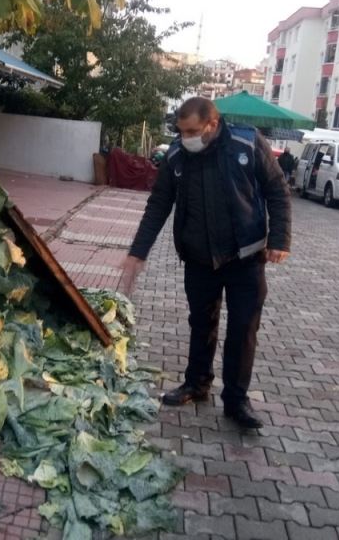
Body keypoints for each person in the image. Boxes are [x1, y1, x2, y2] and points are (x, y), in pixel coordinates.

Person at [121, 97, 291, 429]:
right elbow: (158, 204)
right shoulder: (176, 155)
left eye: (193, 131)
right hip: (199, 258)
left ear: (212, 125)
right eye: (182, 132)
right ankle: (197, 384)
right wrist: (137, 252)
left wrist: (280, 239)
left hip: (246, 256)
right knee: (201, 323)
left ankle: (236, 400)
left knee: (243, 329)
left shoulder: (247, 142)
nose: (186, 138)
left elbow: (277, 190)